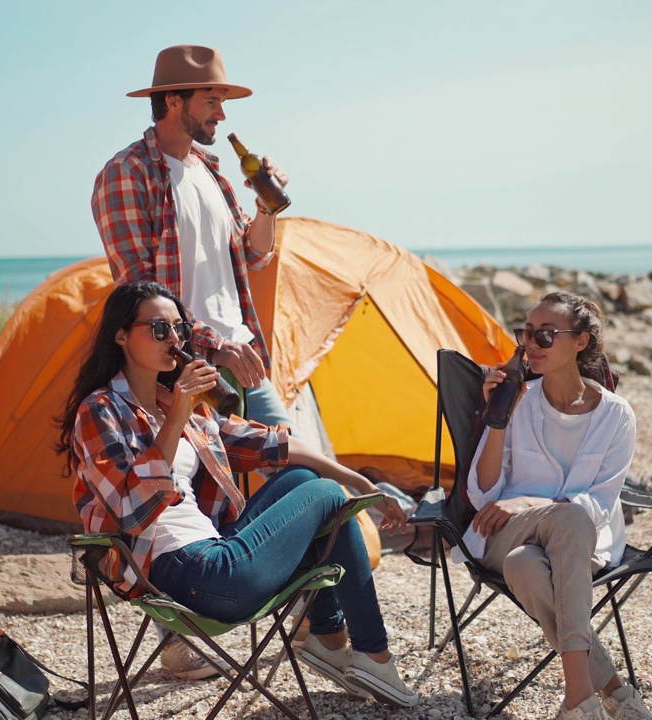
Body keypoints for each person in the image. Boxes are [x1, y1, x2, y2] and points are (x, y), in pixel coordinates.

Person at [57, 280, 420, 708]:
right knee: (324, 494)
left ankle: (330, 638)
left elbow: (272, 443)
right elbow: (130, 511)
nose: (174, 341)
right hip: (187, 576)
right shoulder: (100, 411)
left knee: (305, 479)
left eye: (180, 330)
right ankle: (372, 652)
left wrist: (362, 483)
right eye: (159, 329)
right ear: (121, 334)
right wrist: (177, 414)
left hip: (215, 557)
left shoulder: (175, 404)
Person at [466, 291, 652, 720]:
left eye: (546, 335)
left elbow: (600, 504)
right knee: (563, 519)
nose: (531, 344)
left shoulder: (616, 415)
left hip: (577, 545)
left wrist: (530, 502)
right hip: (501, 532)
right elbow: (483, 493)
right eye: (527, 333)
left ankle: (595, 697)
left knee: (527, 567)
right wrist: (497, 417)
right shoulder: (520, 400)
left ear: (581, 342)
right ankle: (583, 696)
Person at [91, 44, 294, 432]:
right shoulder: (126, 174)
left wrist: (266, 206)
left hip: (243, 355)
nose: (222, 114)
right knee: (218, 489)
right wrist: (215, 344)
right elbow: (139, 292)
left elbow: (254, 255)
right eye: (211, 101)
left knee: (300, 466)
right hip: (184, 369)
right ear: (173, 101)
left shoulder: (212, 171)